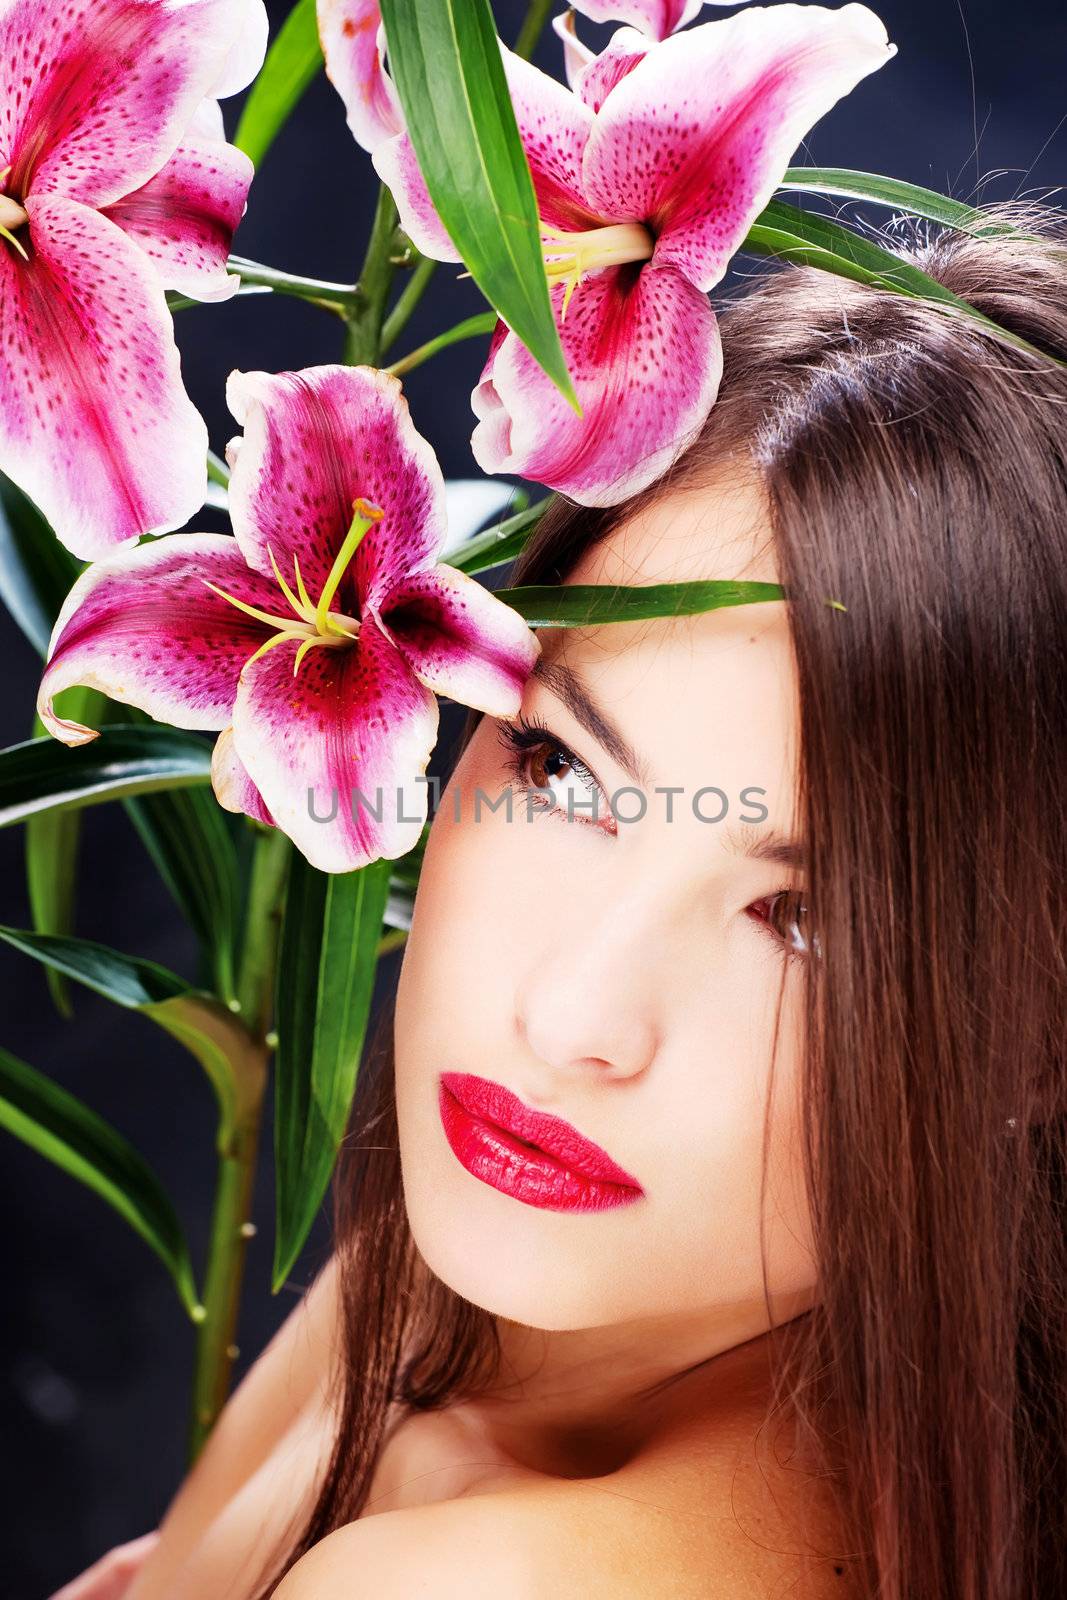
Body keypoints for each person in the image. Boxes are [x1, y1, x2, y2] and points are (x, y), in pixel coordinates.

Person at [55, 198, 1067, 1600]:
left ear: (1040, 1038)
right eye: (564, 771)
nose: (571, 1017)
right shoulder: (460, 1286)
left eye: (809, 923)